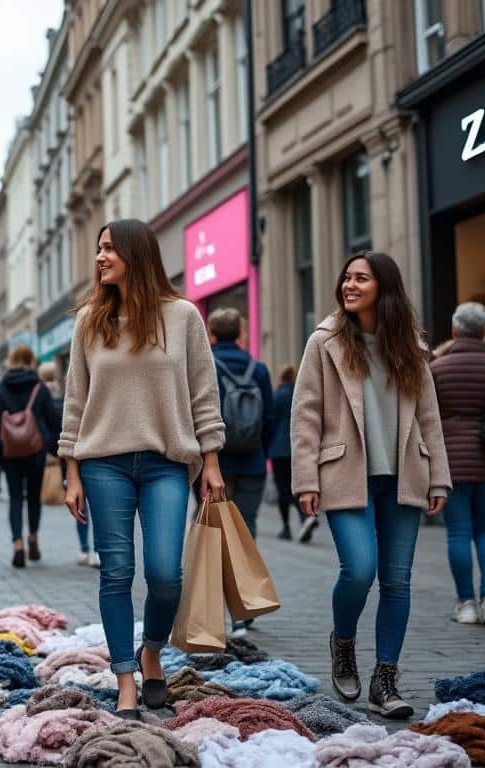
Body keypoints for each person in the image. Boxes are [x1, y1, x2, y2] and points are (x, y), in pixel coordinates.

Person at [59, 219, 226, 718]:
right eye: (98, 249)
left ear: (137, 254)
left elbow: (203, 391)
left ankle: (152, 646)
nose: (101, 257)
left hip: (166, 462)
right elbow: (74, 400)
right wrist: (70, 471)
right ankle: (126, 679)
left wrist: (212, 458)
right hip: (103, 463)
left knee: (164, 573)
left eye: (110, 248)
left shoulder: (183, 317)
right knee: (116, 573)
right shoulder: (90, 320)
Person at [291, 251, 450, 719]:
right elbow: (306, 414)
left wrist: (439, 476)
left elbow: (429, 417)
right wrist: (305, 479)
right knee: (358, 570)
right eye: (347, 277)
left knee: (397, 581)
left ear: (385, 287)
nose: (349, 284)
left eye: (361, 278)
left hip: (404, 474)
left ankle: (386, 680)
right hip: (345, 474)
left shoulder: (411, 347)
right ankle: (343, 643)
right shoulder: (326, 342)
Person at [430, 302, 485, 626]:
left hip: (452, 461)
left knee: (458, 534)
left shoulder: (436, 368)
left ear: (454, 331)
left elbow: (427, 419)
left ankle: (466, 603)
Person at [208, 307, 275, 540]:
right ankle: (244, 575)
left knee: (214, 528)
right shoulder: (258, 369)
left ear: (211, 333)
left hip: (216, 463)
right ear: (239, 334)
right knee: (246, 528)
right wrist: (260, 449)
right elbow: (269, 417)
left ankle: (216, 576)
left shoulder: (207, 366)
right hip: (252, 462)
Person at [0, 344, 55, 568]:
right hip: (36, 449)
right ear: (31, 361)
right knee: (34, 497)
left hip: (10, 452)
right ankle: (33, 538)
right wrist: (54, 449)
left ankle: (17, 544)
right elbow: (51, 418)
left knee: (16, 498)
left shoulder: (0, 388)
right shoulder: (38, 386)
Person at [40, 361, 94, 566]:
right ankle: (92, 550)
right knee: (89, 505)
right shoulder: (62, 399)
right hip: (77, 453)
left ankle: (84, 548)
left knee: (82, 503)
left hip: (67, 455)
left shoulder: (52, 397)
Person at [269, 365, 306, 541]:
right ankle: (305, 519)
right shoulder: (300, 393)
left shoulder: (277, 396)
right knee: (297, 488)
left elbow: (271, 422)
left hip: (278, 450)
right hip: (296, 448)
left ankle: (286, 528)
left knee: (283, 489)